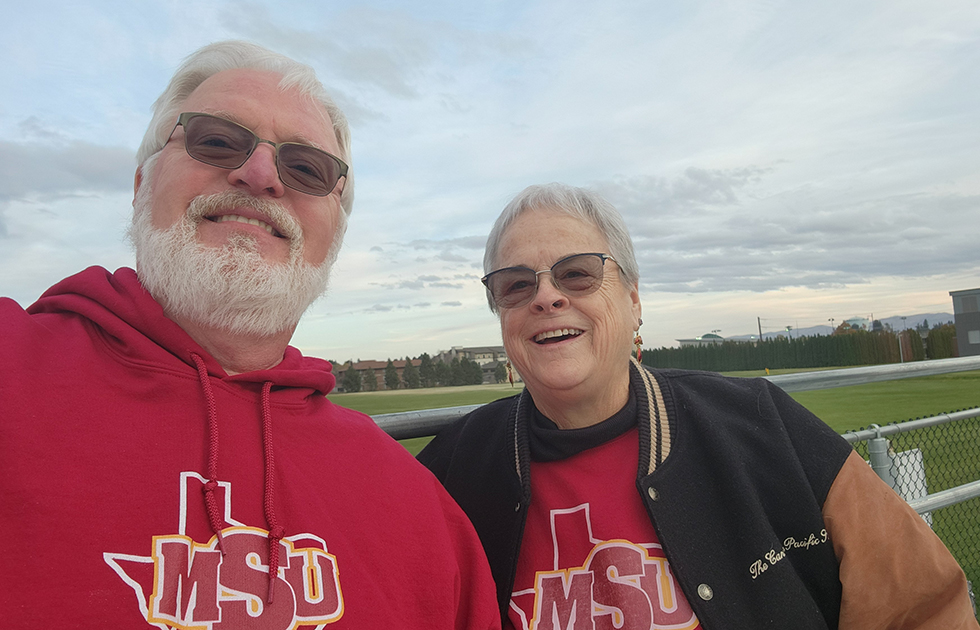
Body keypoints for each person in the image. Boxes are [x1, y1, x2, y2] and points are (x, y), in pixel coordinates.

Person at [0, 41, 499, 629]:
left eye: (307, 168)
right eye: (215, 140)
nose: (259, 174)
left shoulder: (420, 510)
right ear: (141, 185)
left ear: (332, 236)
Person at [418, 183, 977, 629]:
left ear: (633, 300)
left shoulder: (764, 427)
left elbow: (920, 609)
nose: (547, 296)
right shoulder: (451, 471)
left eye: (577, 273)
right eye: (516, 285)